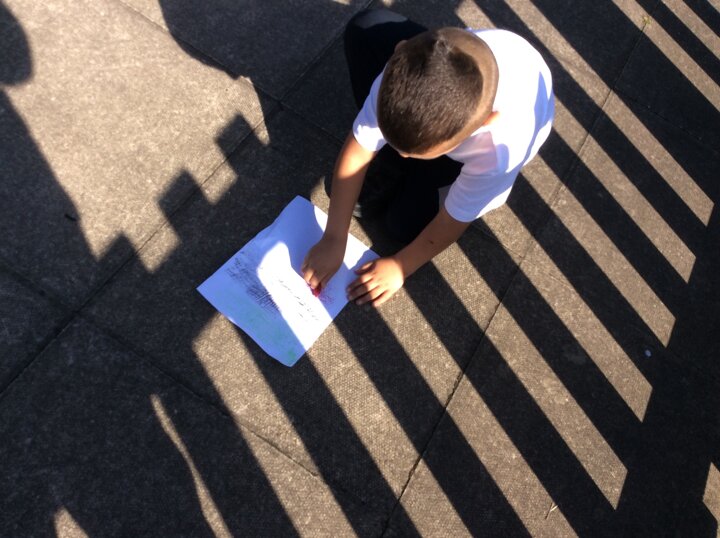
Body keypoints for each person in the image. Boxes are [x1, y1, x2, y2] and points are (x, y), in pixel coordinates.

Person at [302, 8, 554, 306]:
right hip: (450, 92)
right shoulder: (402, 72)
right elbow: (358, 148)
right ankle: (401, 146)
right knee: (365, 28)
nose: (403, 155)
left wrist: (401, 266)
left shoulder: (497, 152)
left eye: (412, 152)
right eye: (397, 146)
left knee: (401, 226)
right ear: (399, 52)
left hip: (462, 152)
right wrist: (334, 237)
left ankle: (429, 173)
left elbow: (452, 220)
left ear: (486, 122)